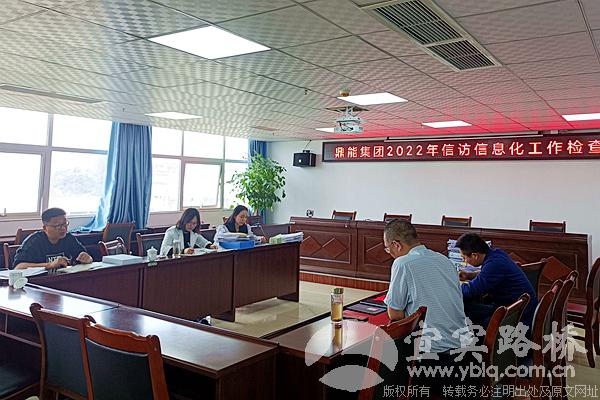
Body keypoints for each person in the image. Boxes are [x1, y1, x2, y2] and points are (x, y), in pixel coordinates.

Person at [383, 220, 475, 396]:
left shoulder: (403, 263)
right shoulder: (444, 260)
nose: (390, 253)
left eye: (388, 249)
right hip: (463, 352)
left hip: (432, 358)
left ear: (396, 244)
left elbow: (395, 314)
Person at [456, 233, 538, 330]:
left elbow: (471, 290)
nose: (465, 261)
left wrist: (451, 287)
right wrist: (469, 275)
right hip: (516, 309)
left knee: (466, 310)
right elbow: (487, 274)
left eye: (464, 258)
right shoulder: (497, 254)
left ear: (475, 255)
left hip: (518, 319)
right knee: (470, 309)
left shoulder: (494, 264)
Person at [13, 208, 92, 270]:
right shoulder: (34, 241)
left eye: (65, 224)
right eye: (57, 225)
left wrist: (88, 258)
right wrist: (49, 265)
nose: (63, 228)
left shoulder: (69, 238)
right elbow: (18, 267)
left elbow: (84, 256)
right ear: (45, 228)